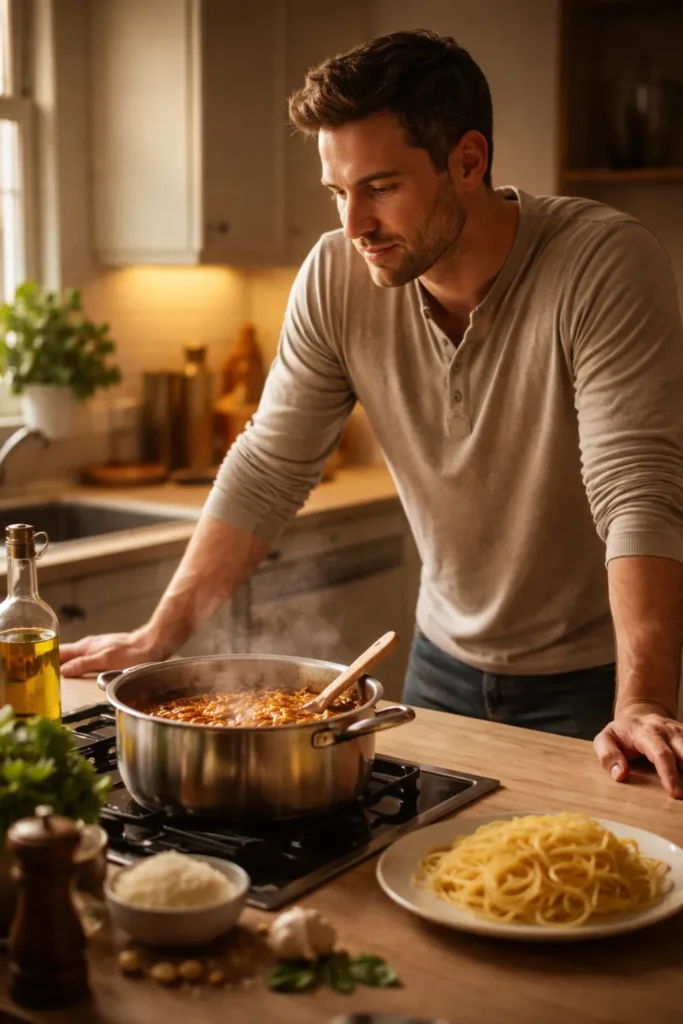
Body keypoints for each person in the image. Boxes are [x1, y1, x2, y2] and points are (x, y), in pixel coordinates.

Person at [61, 29, 683, 797]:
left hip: (593, 683)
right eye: (337, 192)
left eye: (379, 187)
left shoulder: (601, 262)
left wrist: (643, 700)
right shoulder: (335, 273)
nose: (352, 224)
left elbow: (636, 486)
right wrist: (160, 633)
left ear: (466, 162)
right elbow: (267, 466)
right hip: (438, 662)